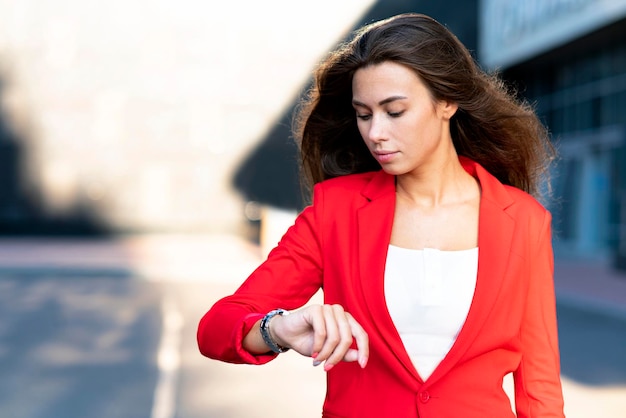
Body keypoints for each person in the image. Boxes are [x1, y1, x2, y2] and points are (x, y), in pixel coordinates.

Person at [197, 13, 565, 418]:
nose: (375, 133)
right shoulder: (334, 213)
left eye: (394, 111)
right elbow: (216, 328)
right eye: (364, 114)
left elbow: (540, 389)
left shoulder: (523, 220)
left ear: (447, 102)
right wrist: (277, 328)